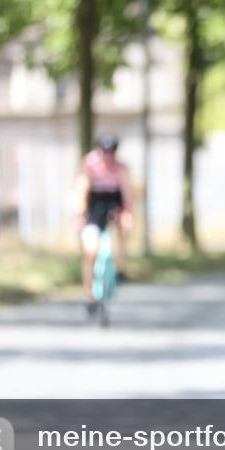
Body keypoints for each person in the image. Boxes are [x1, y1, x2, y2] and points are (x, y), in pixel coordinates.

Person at [75, 134, 133, 315]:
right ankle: (90, 296)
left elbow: (127, 192)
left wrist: (127, 214)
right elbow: (82, 190)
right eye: (105, 152)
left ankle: (120, 267)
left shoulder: (121, 168)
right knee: (91, 252)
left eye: (112, 152)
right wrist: (80, 215)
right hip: (94, 206)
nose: (108, 156)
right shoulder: (90, 164)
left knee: (122, 230)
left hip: (114, 203)